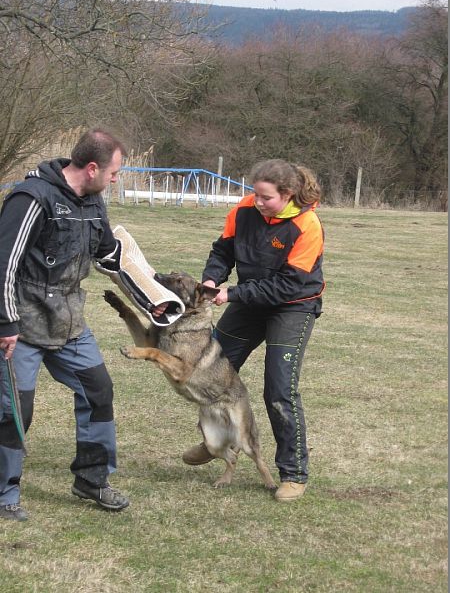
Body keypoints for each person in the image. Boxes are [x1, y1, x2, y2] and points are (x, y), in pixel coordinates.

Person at [0, 128, 165, 521]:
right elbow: (3, 264)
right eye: (113, 173)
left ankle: (92, 480)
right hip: (22, 324)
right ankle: (4, 494)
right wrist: (5, 323)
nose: (115, 180)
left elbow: (110, 256)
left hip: (70, 323)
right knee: (14, 411)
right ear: (92, 168)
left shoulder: (93, 204)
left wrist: (152, 300)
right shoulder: (30, 199)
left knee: (98, 392)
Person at [182, 159, 325, 502]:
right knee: (209, 375)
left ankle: (293, 473)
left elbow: (288, 286)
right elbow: (223, 250)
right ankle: (215, 443)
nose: (257, 202)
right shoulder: (244, 209)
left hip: (291, 306)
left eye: (266, 197)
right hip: (249, 299)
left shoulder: (307, 225)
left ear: (287, 194)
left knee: (279, 389)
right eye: (255, 194)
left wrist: (232, 294)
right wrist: (213, 277)